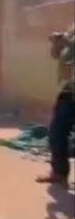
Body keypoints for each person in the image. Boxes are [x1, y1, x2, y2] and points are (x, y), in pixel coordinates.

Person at [36, 24, 75, 185]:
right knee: (57, 132)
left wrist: (67, 42)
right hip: (69, 90)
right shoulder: (72, 29)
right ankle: (59, 173)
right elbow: (56, 55)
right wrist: (56, 44)